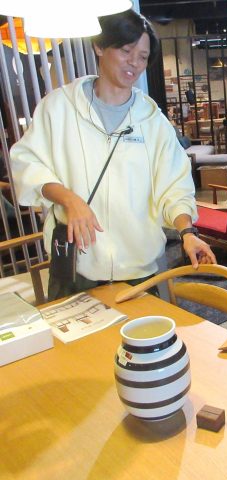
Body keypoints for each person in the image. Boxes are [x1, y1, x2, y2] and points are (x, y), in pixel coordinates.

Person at [10, 10, 215, 301]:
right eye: (126, 50)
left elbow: (175, 186)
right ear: (99, 46)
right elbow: (27, 163)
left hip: (137, 269)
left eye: (143, 57)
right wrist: (70, 199)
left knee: (142, 331)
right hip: (76, 265)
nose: (134, 63)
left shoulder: (152, 121)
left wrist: (187, 232)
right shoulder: (59, 108)